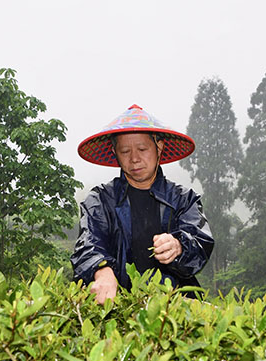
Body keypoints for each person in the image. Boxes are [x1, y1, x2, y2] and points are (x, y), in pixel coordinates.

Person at [72, 104, 214, 304]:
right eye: (125, 151)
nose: (134, 159)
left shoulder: (184, 199)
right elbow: (88, 244)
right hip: (118, 305)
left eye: (142, 149)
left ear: (159, 147)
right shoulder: (100, 200)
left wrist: (179, 246)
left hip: (174, 306)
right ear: (115, 153)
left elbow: (200, 242)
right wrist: (101, 270)